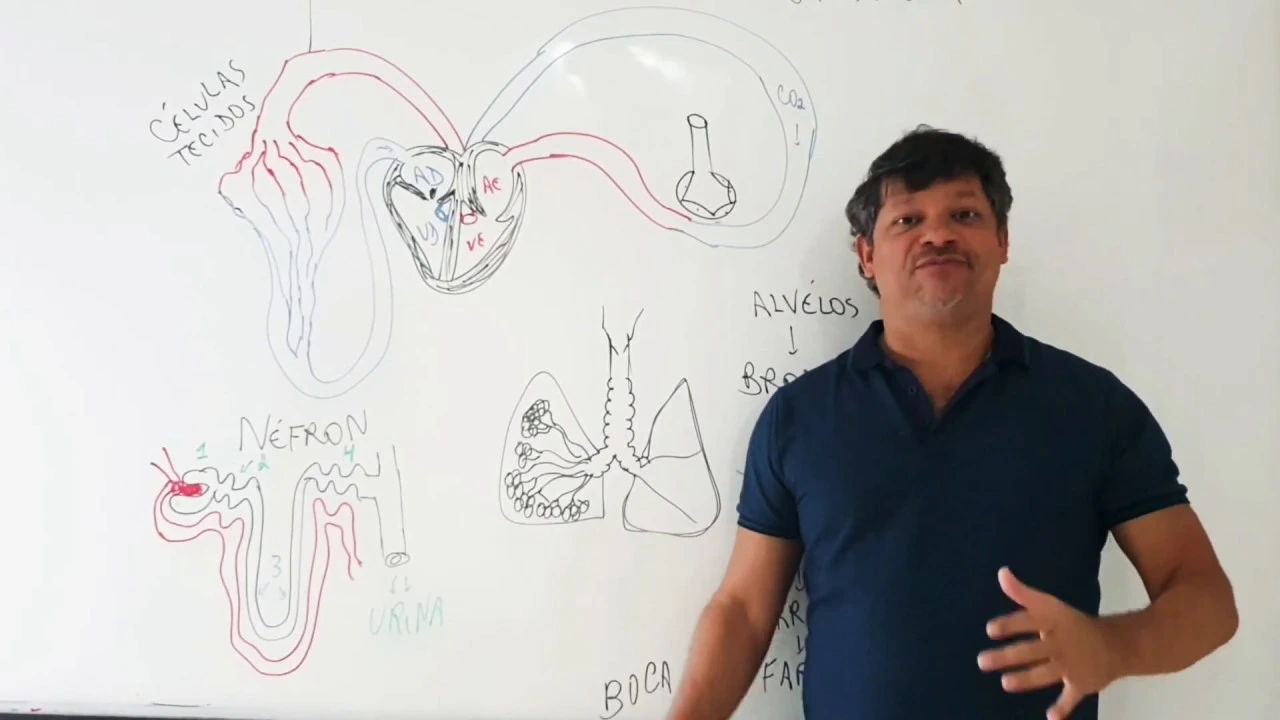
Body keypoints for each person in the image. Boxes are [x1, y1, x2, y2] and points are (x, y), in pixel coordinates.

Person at [666, 126, 1238, 720]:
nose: (937, 234)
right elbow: (743, 610)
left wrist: (1113, 647)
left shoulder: (1094, 406)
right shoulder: (798, 417)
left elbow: (1207, 599)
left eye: (964, 214)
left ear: (1002, 240)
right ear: (867, 254)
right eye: (907, 220)